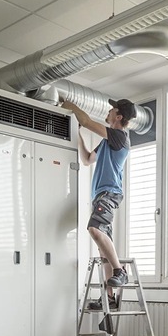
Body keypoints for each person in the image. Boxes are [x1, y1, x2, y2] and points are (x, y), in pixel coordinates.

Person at [61, 97, 136, 310]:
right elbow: (86, 159)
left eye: (112, 110)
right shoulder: (107, 142)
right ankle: (110, 299)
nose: (109, 112)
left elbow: (85, 120)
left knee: (94, 229)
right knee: (103, 249)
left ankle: (120, 271)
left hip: (109, 194)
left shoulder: (119, 137)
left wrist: (71, 105)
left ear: (119, 116)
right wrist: (77, 133)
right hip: (100, 196)